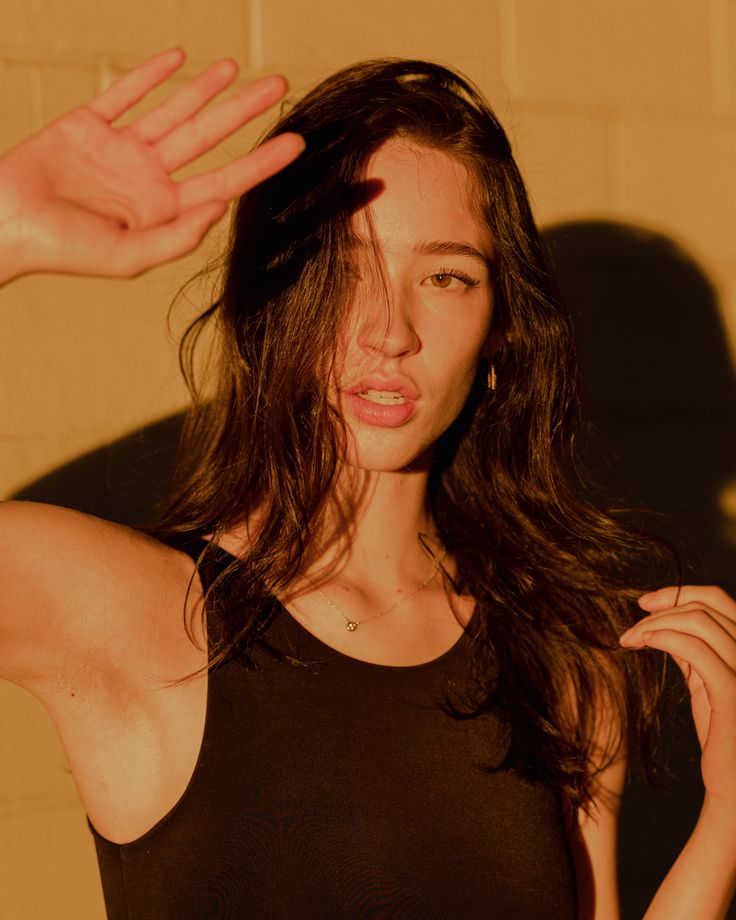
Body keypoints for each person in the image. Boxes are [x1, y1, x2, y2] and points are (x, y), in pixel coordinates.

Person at [0, 47, 734, 920]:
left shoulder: (564, 662)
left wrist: (726, 820)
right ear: (277, 301)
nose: (390, 330)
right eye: (346, 269)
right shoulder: (139, 617)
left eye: (446, 276)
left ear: (500, 329)